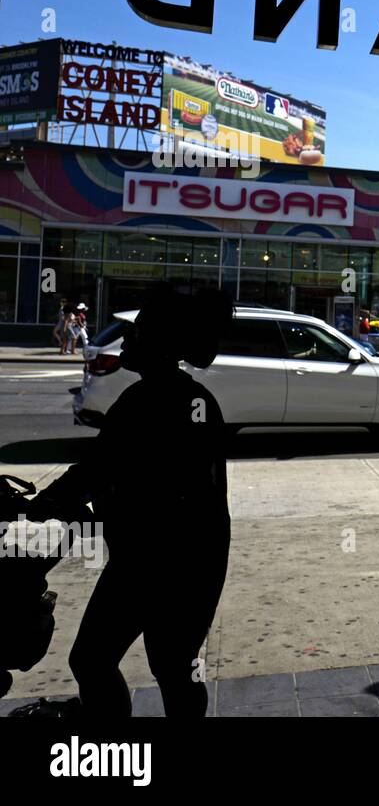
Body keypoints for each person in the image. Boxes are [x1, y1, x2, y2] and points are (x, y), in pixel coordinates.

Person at [18, 285, 233, 717]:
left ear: (160, 343)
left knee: (152, 665)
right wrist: (59, 502)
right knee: (156, 666)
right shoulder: (161, 397)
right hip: (154, 561)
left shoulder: (166, 401)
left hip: (169, 565)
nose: (127, 342)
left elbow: (106, 470)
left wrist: (46, 503)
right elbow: (106, 469)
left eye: (136, 335)